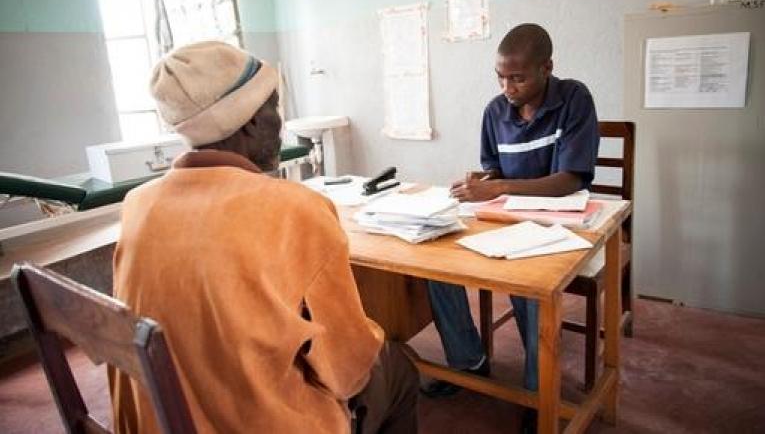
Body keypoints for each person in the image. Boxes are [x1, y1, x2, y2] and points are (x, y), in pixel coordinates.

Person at [109, 41, 418, 434]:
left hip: (161, 421)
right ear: (251, 121)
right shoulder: (294, 208)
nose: (281, 121)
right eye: (274, 106)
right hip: (268, 424)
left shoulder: (138, 204)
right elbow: (347, 372)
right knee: (399, 366)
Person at [423, 23, 599, 430]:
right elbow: (495, 170)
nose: (508, 87)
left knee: (528, 286)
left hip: (560, 222)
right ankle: (469, 362)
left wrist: (500, 186)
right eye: (501, 77)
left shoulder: (574, 98)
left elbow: (570, 179)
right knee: (436, 263)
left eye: (518, 77)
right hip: (507, 217)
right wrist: (484, 182)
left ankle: (538, 393)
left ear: (546, 68)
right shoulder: (494, 111)